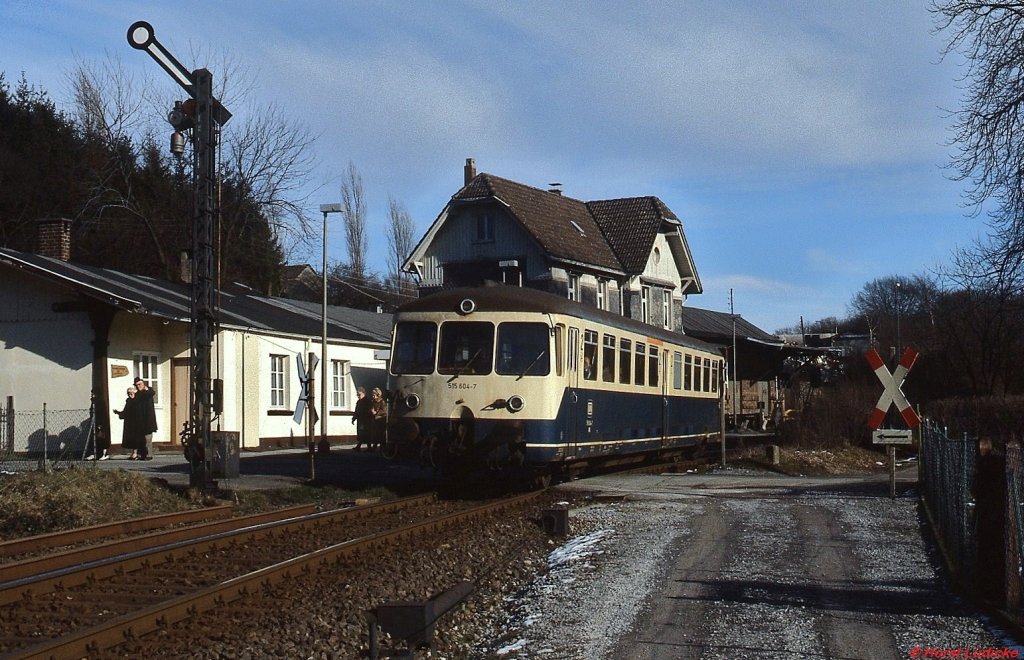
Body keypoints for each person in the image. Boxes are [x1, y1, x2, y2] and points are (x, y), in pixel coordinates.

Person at [113, 386, 142, 460]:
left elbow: (137, 411)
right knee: (131, 438)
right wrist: (119, 413)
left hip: (136, 422)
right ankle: (133, 453)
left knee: (135, 438)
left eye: (132, 393)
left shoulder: (137, 401)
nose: (130, 395)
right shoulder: (129, 401)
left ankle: (135, 453)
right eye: (129, 393)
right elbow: (126, 411)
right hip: (129, 422)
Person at [133, 377, 158, 460]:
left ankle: (149, 455)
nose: (138, 386)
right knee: (141, 439)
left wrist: (145, 389)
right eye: (136, 385)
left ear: (144, 384)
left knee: (148, 439)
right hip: (140, 420)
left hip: (148, 420)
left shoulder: (148, 391)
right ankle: (143, 454)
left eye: (139, 384)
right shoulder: (137, 395)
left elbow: (151, 393)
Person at [84, 388, 111, 461]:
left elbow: (102, 414)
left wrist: (100, 424)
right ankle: (95, 453)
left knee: (101, 438)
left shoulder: (100, 401)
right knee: (94, 438)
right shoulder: (94, 401)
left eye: (93, 393)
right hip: (94, 422)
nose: (92, 395)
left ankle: (103, 453)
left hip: (100, 423)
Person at [351, 387, 373, 451]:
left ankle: (367, 447)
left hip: (366, 420)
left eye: (359, 394)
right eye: (357, 394)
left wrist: (367, 417)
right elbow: (357, 410)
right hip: (360, 419)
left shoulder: (368, 401)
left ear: (363, 393)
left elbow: (369, 410)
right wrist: (354, 418)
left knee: (366, 433)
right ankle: (360, 446)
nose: (358, 396)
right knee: (361, 433)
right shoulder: (359, 402)